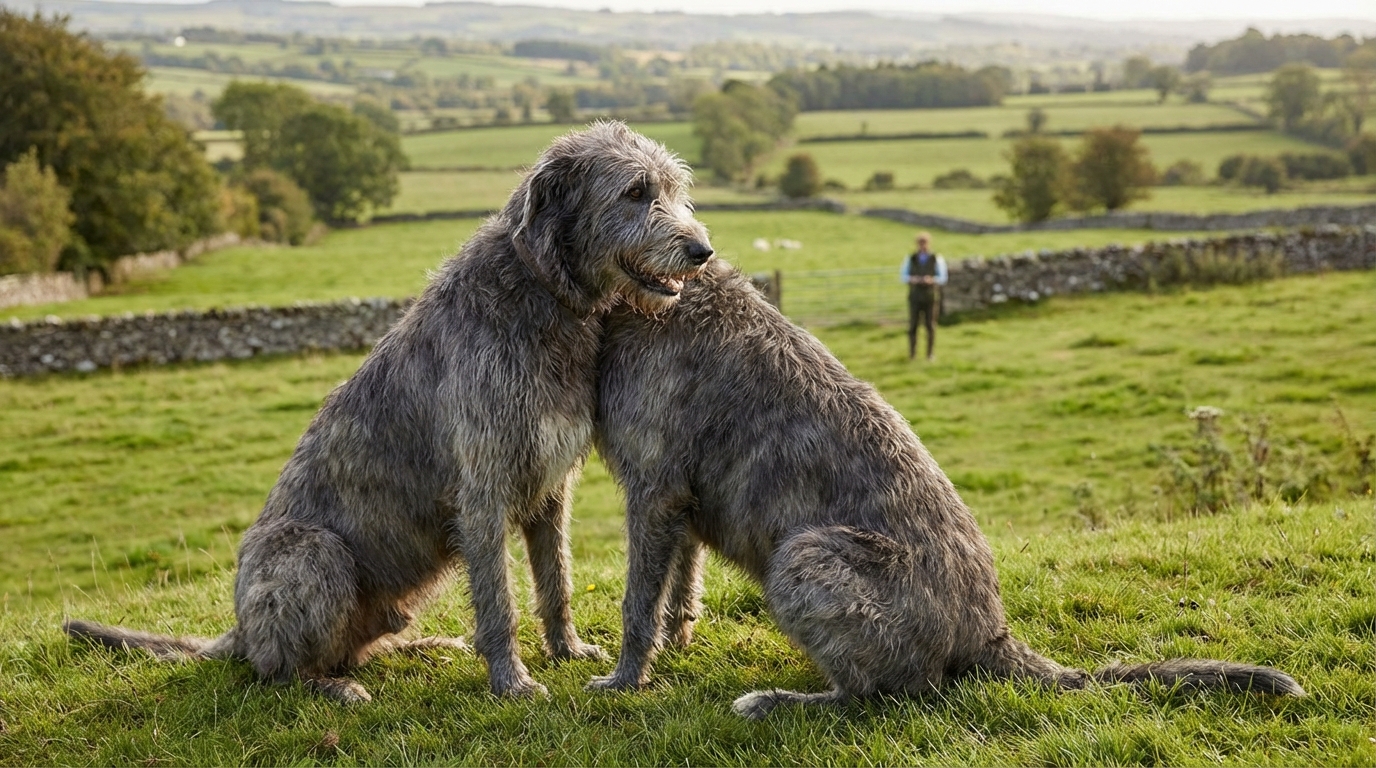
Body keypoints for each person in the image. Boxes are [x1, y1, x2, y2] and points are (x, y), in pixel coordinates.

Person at [900, 232, 947, 361]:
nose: (922, 245)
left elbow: (942, 277)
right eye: (920, 243)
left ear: (928, 244)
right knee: (913, 325)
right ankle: (912, 354)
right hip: (915, 296)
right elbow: (903, 276)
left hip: (930, 296)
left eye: (924, 243)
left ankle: (930, 354)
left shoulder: (936, 258)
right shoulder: (911, 258)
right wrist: (913, 279)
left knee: (930, 325)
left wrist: (931, 280)